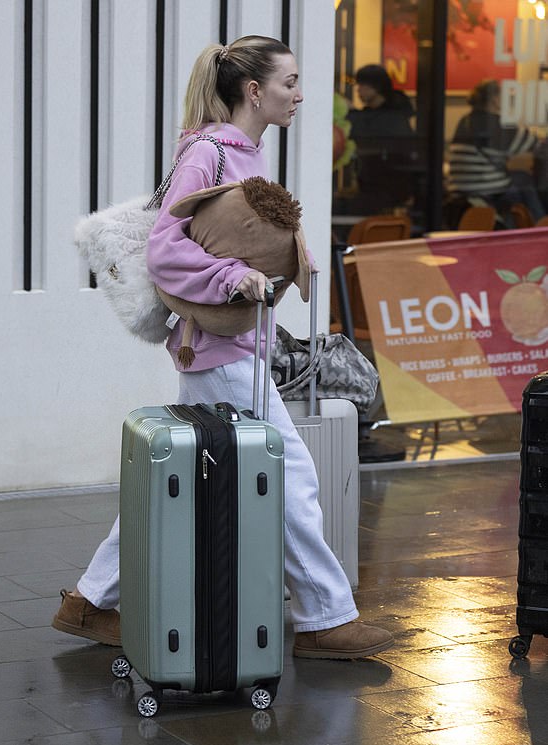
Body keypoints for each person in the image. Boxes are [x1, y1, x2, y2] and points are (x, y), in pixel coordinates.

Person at [52, 35, 394, 660]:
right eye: (289, 82)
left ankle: (89, 602)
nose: (299, 94)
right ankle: (325, 618)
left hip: (226, 344)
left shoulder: (245, 155)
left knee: (190, 474)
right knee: (289, 474)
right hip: (218, 346)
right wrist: (231, 278)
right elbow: (166, 249)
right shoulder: (208, 154)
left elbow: (231, 236)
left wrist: (289, 257)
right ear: (254, 90)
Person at [447, 78, 545, 224]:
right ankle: (540, 225)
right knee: (525, 182)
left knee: (519, 177)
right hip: (483, 188)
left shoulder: (466, 120)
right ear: (495, 99)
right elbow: (536, 145)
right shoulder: (495, 122)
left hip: (460, 186)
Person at [345, 64, 418, 214]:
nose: (358, 90)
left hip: (387, 189)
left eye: (363, 85)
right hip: (378, 188)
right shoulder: (392, 113)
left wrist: (351, 113)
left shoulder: (392, 117)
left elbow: (365, 131)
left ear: (376, 87)